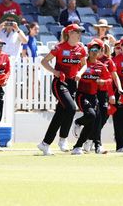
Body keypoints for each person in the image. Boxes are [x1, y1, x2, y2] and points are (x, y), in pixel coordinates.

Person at [37, 23, 87, 155]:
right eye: (77, 32)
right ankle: (63, 139)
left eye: (80, 32)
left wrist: (80, 74)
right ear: (70, 33)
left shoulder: (81, 48)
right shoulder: (59, 47)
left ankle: (45, 144)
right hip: (59, 83)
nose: (80, 35)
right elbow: (44, 61)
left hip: (72, 84)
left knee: (60, 114)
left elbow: (84, 65)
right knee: (71, 108)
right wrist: (55, 72)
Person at [71, 39, 112, 155]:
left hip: (94, 96)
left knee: (95, 120)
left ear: (100, 51)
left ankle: (79, 146)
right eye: (92, 49)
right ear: (88, 51)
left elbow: (109, 79)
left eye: (97, 49)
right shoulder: (82, 64)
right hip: (82, 95)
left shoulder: (101, 66)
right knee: (91, 115)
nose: (94, 52)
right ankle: (78, 122)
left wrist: (103, 81)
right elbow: (75, 74)